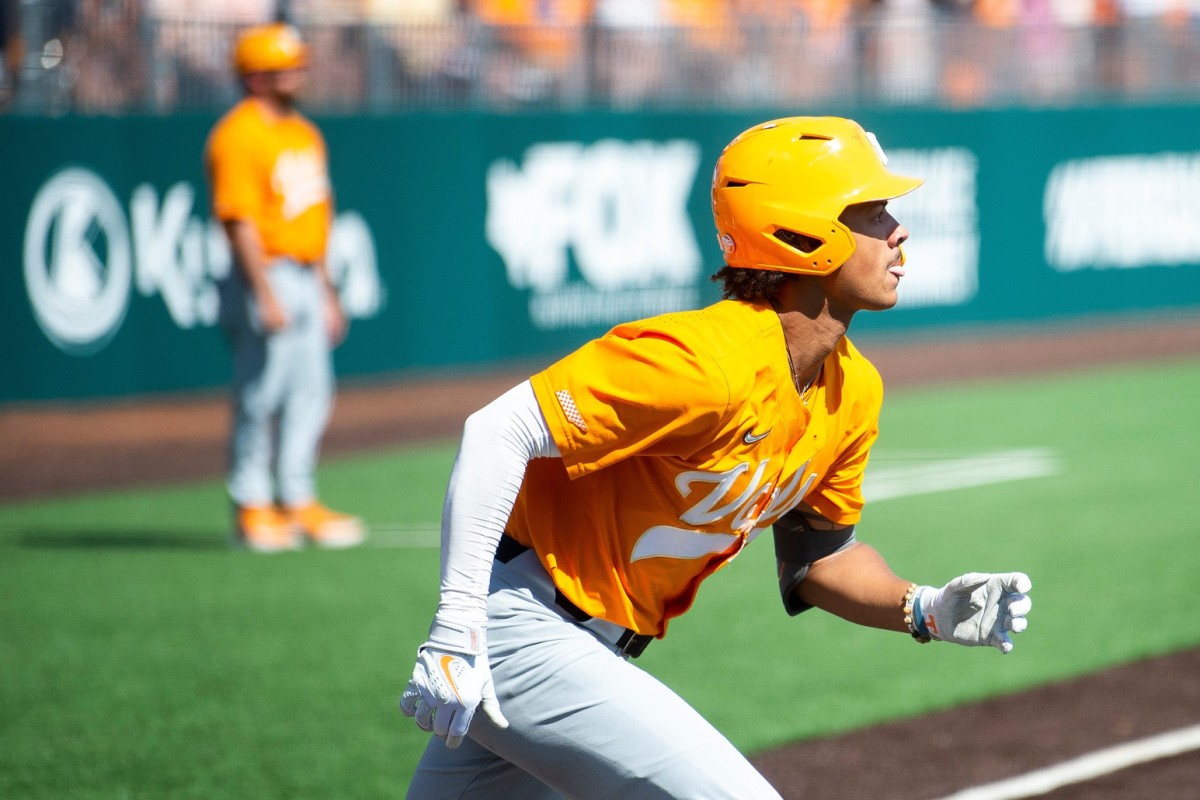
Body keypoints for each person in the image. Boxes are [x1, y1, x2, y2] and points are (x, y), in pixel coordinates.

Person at [399, 116, 1033, 798]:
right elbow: (500, 429)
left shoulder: (854, 388)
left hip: (583, 645)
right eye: (871, 211)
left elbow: (819, 561)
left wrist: (927, 608)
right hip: (515, 625)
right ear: (804, 231)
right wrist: (457, 623)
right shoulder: (707, 360)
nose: (898, 229)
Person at [204, 22, 365, 553]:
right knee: (261, 394)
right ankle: (252, 505)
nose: (298, 74)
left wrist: (328, 291)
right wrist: (265, 294)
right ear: (256, 77)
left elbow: (319, 214)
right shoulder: (238, 135)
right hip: (264, 272)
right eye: (285, 67)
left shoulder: (304, 133)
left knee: (311, 393)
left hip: (304, 273)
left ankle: (297, 499)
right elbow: (239, 221)